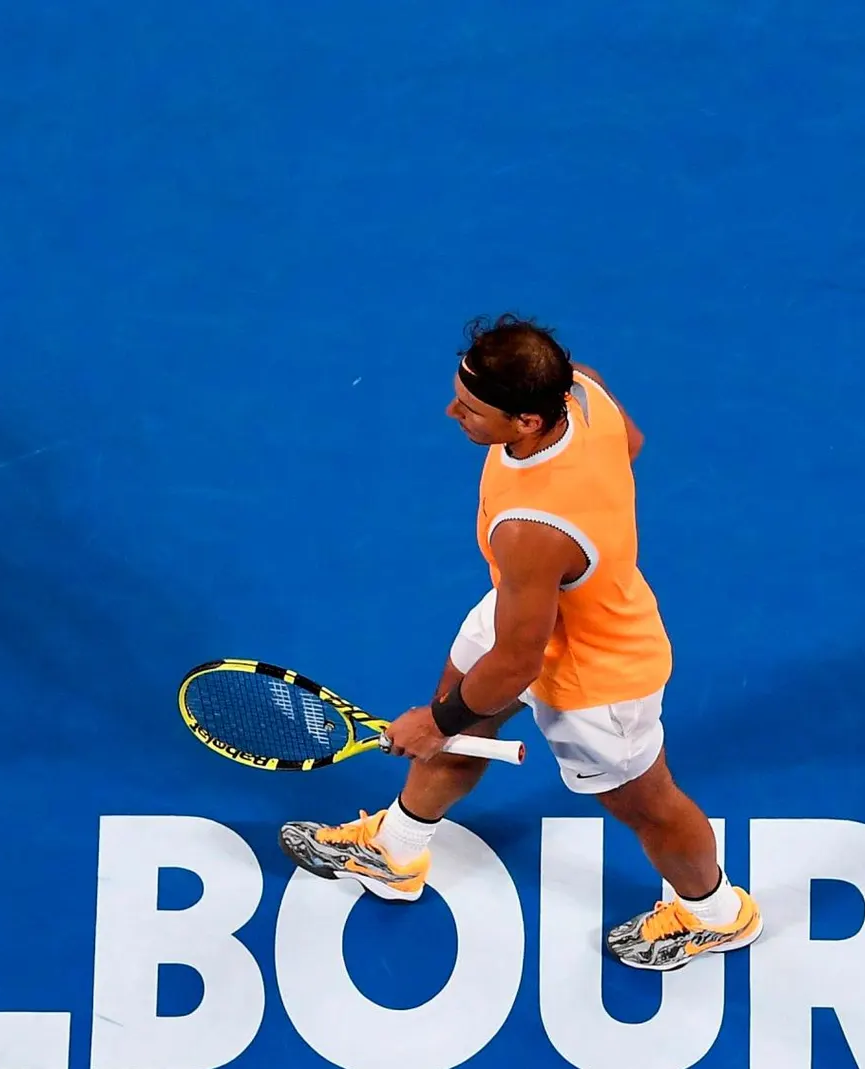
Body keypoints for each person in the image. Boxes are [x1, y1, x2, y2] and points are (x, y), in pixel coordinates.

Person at [278, 313, 762, 970]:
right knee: (458, 712)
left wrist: (433, 722)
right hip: (527, 607)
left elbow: (516, 663)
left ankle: (715, 914)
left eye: (471, 408)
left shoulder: (533, 531)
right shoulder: (582, 390)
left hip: (597, 672)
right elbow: (633, 443)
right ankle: (396, 849)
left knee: (649, 804)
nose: (453, 412)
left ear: (528, 421)